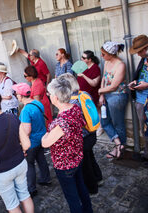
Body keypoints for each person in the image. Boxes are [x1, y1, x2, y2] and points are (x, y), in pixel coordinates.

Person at [0, 85, 34, 213]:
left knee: (12, 205)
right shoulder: (12, 117)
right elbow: (26, 145)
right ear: (0, 101)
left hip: (1, 173)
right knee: (25, 195)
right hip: (20, 165)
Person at [41, 78, 93, 213]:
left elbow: (45, 143)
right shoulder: (74, 108)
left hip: (65, 164)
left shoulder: (62, 122)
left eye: (49, 93)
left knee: (72, 198)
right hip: (77, 157)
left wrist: (45, 135)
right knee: (81, 188)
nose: (48, 95)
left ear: (56, 97)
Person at [59, 73, 103, 195]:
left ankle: (92, 188)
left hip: (83, 138)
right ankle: (98, 177)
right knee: (90, 157)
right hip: (91, 133)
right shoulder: (84, 94)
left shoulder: (72, 103)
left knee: (85, 165)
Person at [13, 83, 51, 197]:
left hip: (32, 142)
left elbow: (27, 130)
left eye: (17, 94)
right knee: (41, 159)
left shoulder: (25, 111)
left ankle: (31, 188)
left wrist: (21, 143)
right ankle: (46, 179)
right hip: (42, 138)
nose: (16, 95)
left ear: (21, 95)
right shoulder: (38, 103)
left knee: (29, 164)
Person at [98, 41, 128, 159]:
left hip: (117, 96)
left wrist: (101, 91)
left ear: (111, 54)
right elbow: (104, 79)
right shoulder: (106, 62)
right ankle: (118, 144)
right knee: (104, 122)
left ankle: (119, 148)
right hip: (107, 94)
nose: (102, 56)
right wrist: (102, 95)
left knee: (118, 123)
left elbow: (114, 86)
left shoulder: (120, 65)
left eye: (103, 54)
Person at [128, 35, 148, 140]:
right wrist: (136, 82)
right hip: (141, 100)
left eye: (140, 51)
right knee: (145, 130)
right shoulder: (144, 59)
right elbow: (143, 76)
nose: (138, 54)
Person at [77, 50, 102, 136]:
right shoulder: (82, 66)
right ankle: (88, 126)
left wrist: (83, 76)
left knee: (95, 110)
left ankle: (99, 127)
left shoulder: (95, 68)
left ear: (89, 59)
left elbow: (94, 83)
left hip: (92, 93)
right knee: (84, 110)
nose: (81, 59)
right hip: (82, 93)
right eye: (82, 57)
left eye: (84, 58)